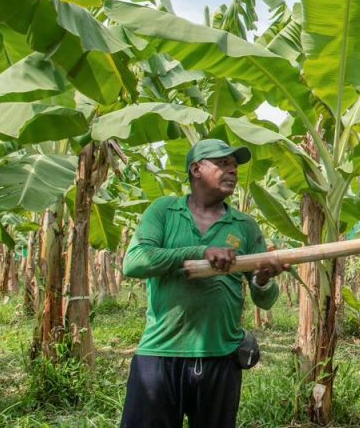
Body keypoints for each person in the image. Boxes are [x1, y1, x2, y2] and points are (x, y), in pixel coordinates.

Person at [120, 138, 288, 428]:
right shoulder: (164, 211)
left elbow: (265, 299)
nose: (232, 171)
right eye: (223, 163)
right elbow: (134, 262)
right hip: (160, 354)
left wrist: (262, 279)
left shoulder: (244, 226)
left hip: (221, 358)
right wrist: (200, 253)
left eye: (234, 166)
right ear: (196, 169)